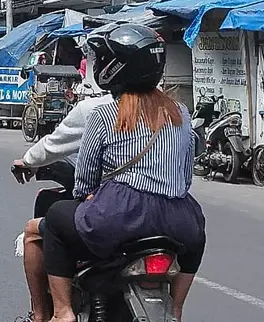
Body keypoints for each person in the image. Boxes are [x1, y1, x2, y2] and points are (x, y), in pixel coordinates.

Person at [40, 23, 206, 322]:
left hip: (120, 218)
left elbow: (84, 180)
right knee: (198, 236)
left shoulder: (104, 114)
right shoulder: (180, 112)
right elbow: (185, 178)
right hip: (179, 221)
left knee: (54, 220)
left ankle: (63, 312)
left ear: (116, 68)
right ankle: (177, 309)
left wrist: (86, 198)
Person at [12, 87, 113, 322]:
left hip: (112, 209)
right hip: (168, 216)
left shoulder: (97, 111)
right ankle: (176, 312)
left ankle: (51, 314)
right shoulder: (173, 112)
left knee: (41, 226)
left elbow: (56, 148)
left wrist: (28, 161)